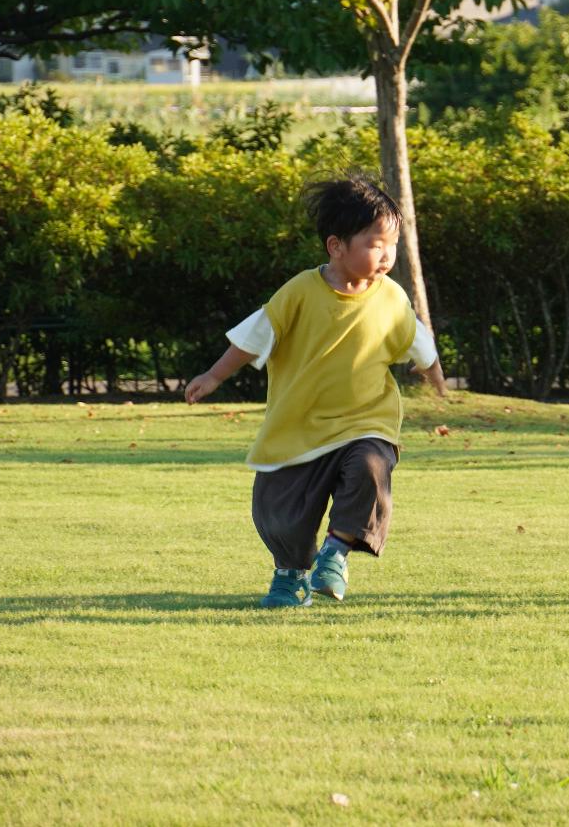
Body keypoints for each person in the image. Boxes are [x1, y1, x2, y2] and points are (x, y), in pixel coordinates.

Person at [186, 175, 448, 608]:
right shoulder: (300, 292)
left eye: (392, 244)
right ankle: (290, 577)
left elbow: (421, 345)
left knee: (370, 467)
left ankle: (335, 552)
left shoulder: (392, 299)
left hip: (367, 420)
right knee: (281, 511)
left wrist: (438, 383)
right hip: (299, 425)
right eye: (374, 243)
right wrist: (214, 376)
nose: (386, 254)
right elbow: (255, 335)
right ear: (336, 246)